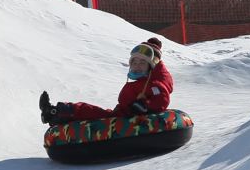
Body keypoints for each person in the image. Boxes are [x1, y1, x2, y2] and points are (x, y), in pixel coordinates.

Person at [39, 37, 174, 126]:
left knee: (94, 114)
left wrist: (145, 105)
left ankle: (57, 112)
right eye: (134, 62)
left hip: (127, 119)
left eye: (142, 63)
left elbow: (162, 98)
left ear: (151, 66)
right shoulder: (142, 82)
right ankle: (56, 114)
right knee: (91, 112)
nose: (137, 66)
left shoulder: (153, 85)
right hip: (122, 113)